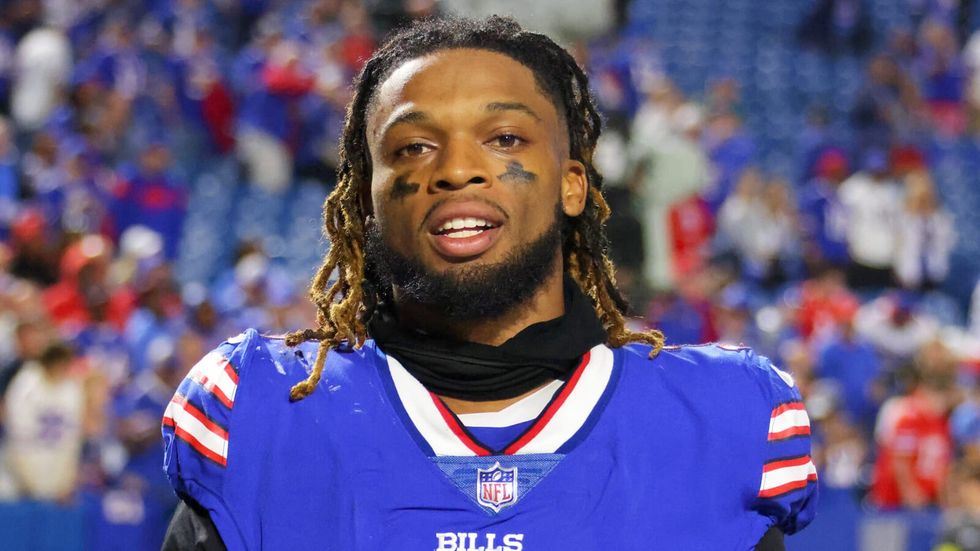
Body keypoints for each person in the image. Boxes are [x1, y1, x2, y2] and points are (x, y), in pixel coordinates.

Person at [162, 16, 817, 550]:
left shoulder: (716, 420)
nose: (456, 170)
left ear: (572, 184)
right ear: (366, 198)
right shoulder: (265, 411)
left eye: (504, 137)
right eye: (412, 146)